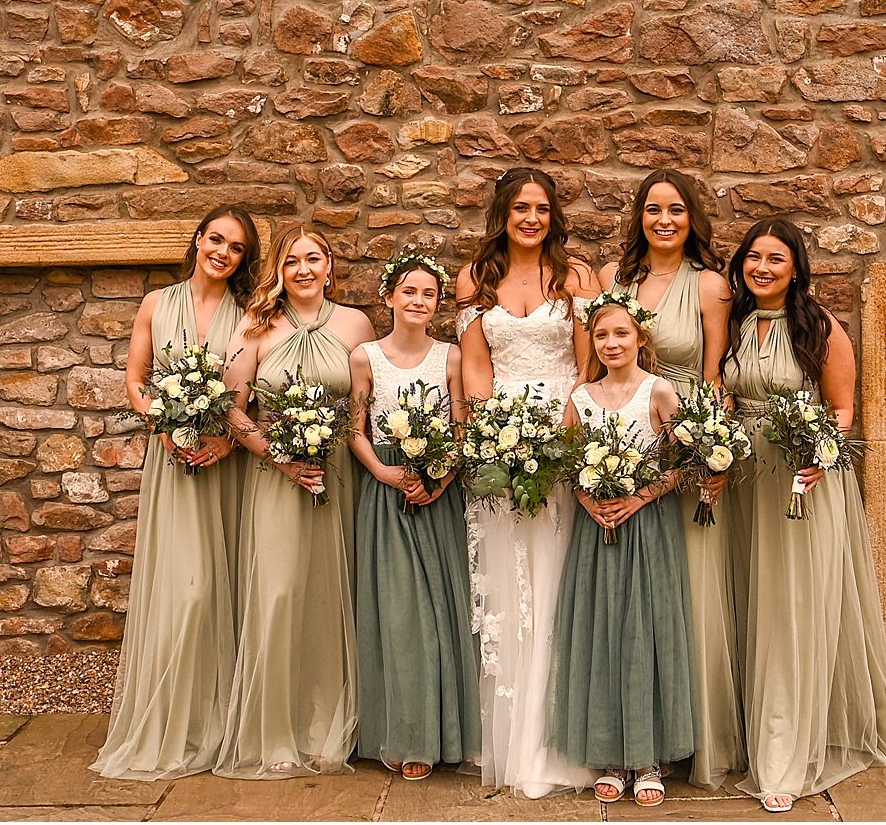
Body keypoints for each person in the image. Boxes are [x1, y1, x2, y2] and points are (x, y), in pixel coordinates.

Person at [721, 218, 886, 812]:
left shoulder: (820, 327)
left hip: (800, 479)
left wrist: (818, 458)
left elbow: (841, 410)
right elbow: (723, 393)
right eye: (753, 257)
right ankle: (743, 734)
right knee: (745, 601)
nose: (762, 268)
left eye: (776, 259)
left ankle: (784, 754)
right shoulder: (731, 324)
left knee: (789, 609)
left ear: (796, 268)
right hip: (738, 477)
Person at [92, 207, 260, 780]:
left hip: (224, 467)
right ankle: (174, 721)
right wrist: (161, 420)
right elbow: (136, 380)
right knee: (182, 593)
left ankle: (219, 721)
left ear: (243, 259)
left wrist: (228, 447)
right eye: (216, 239)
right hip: (171, 462)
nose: (223, 252)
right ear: (196, 240)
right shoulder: (156, 305)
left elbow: (252, 400)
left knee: (219, 589)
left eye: (236, 247)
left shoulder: (251, 317)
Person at [456, 166, 599, 799]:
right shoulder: (475, 278)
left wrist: (561, 437)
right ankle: (508, 738)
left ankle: (560, 737)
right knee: (506, 582)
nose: (532, 219)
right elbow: (478, 369)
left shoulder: (575, 278)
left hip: (562, 438)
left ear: (554, 215)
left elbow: (589, 360)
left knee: (557, 577)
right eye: (521, 209)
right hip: (500, 444)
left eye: (542, 208)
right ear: (503, 215)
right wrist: (495, 435)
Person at [215, 224, 376, 779]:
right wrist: (276, 456)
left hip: (338, 476)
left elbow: (362, 409)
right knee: (280, 593)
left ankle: (325, 729)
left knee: (330, 596)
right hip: (277, 477)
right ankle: (274, 731)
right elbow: (232, 409)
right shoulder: (256, 326)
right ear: (278, 272)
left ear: (329, 264)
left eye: (313, 259)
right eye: (291, 262)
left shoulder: (356, 324)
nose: (303, 270)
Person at [598, 169, 742, 789]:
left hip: (682, 445)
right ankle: (633, 731)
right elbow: (593, 361)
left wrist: (711, 455)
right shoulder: (613, 280)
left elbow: (714, 376)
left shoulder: (711, 285)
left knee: (690, 589)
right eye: (653, 210)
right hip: (622, 441)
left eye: (676, 211)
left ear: (691, 219)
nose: (664, 221)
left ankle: (692, 736)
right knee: (632, 595)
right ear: (640, 216)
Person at [548, 290, 694, 807]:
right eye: (602, 335)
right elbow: (565, 464)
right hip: (596, 535)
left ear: (640, 338)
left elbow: (684, 464)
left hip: (647, 531)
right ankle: (610, 753)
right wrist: (588, 499)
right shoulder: (580, 399)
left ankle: (648, 756)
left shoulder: (659, 393)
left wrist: (640, 497)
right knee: (602, 631)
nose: (611, 343)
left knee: (644, 632)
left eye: (622, 333)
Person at [348, 251, 480, 781]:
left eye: (428, 294)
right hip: (386, 490)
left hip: (436, 492)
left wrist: (442, 478)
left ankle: (440, 732)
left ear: (438, 302)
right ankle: (399, 731)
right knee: (397, 614)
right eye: (409, 292)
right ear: (389, 297)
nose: (418, 301)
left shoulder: (449, 357)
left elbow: (461, 428)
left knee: (438, 612)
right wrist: (381, 471)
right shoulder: (365, 357)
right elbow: (355, 428)